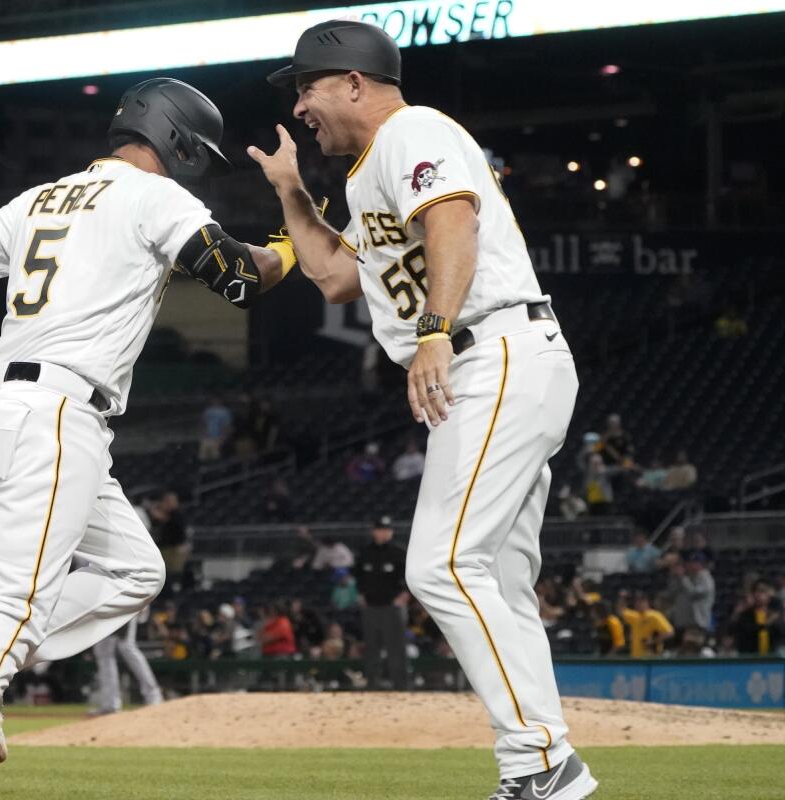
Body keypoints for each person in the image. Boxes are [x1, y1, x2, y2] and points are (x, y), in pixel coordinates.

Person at [0, 77, 290, 800]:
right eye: (194, 151)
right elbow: (234, 278)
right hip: (57, 414)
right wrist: (288, 249)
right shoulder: (153, 195)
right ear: (174, 138)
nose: (192, 164)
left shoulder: (44, 195)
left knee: (138, 571)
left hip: (10, 409)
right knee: (16, 604)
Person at [250, 20, 595, 797]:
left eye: (306, 86)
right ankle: (545, 763)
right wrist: (291, 190)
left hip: (493, 349)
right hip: (493, 363)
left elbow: (452, 220)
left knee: (440, 565)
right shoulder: (369, 168)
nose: (301, 105)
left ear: (352, 82)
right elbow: (335, 276)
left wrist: (435, 331)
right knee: (499, 582)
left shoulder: (413, 130)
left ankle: (541, 760)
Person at [354, 516, 409, 690]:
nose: (382, 533)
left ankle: (401, 686)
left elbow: (410, 577)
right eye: (379, 529)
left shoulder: (399, 552)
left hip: (393, 607)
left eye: (386, 529)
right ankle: (372, 685)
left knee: (396, 648)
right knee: (371, 648)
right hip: (371, 607)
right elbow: (358, 577)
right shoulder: (365, 552)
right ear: (374, 531)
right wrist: (361, 595)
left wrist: (404, 596)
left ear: (391, 531)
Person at [90, 612, 163, 715]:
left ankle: (153, 696)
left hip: (126, 603)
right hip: (107, 606)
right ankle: (110, 704)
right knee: (104, 652)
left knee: (127, 647)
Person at [731, 581, 783, 655]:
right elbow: (747, 633)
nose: (759, 595)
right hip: (751, 658)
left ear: (768, 595)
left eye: (762, 592)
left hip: (771, 658)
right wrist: (767, 623)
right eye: (756, 591)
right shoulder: (746, 615)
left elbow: (781, 635)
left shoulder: (774, 615)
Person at [666, 554, 715, 632]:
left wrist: (682, 577)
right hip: (684, 621)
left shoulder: (705, 577)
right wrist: (674, 577)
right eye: (689, 562)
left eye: (694, 563)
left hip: (698, 621)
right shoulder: (688, 577)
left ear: (700, 564)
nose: (690, 565)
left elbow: (693, 592)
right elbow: (671, 594)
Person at [618, 593, 673, 658]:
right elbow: (621, 611)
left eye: (640, 602)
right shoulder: (635, 616)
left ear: (646, 602)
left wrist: (653, 641)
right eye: (637, 602)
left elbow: (669, 633)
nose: (637, 604)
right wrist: (623, 598)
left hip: (651, 657)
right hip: (636, 657)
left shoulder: (654, 616)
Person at [198, 396, 233, 461]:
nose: (215, 401)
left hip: (218, 437)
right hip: (207, 437)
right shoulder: (208, 411)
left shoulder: (225, 412)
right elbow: (203, 423)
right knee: (204, 457)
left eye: (217, 400)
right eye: (214, 400)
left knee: (216, 457)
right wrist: (202, 435)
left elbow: (227, 425)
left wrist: (224, 437)